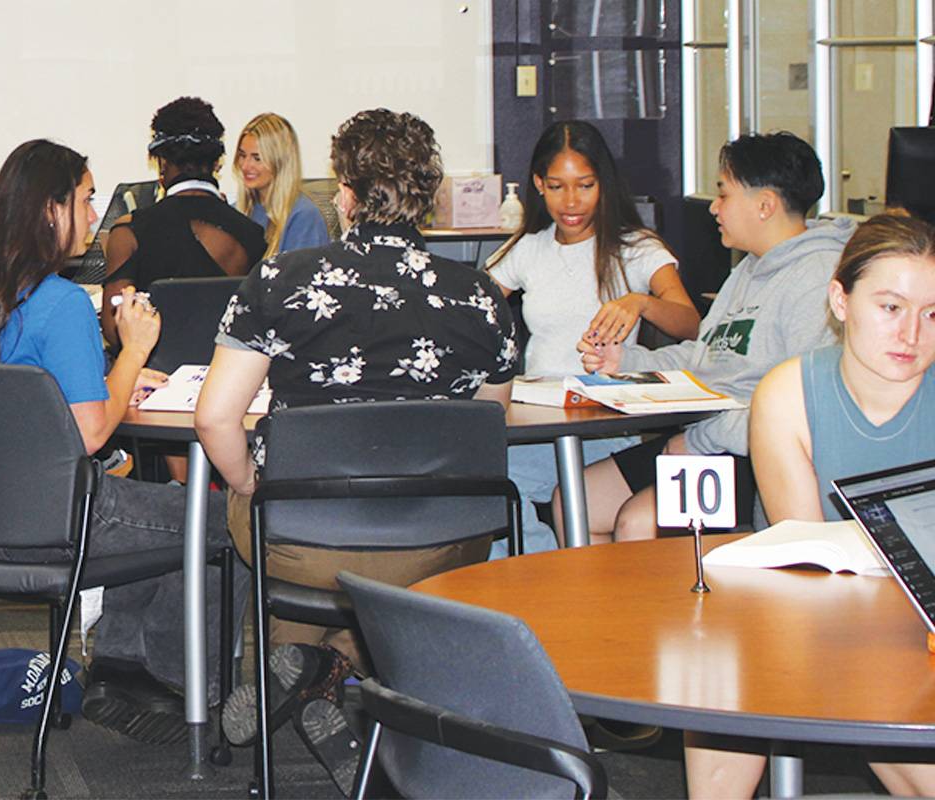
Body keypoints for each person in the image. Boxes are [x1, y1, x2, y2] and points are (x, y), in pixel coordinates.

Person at [195, 108, 518, 794]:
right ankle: (342, 677)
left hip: (306, 539)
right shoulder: (484, 297)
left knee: (257, 510)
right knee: (361, 557)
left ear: (344, 193)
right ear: (426, 199)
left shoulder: (282, 281)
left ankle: (303, 668)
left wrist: (250, 481)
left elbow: (216, 419)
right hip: (445, 544)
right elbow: (488, 433)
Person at [0, 139, 248, 744]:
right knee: (219, 515)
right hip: (54, 519)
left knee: (159, 517)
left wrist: (112, 381)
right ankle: (174, 681)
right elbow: (92, 433)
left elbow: (28, 399)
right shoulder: (63, 302)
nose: (96, 214)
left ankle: (122, 671)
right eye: (86, 198)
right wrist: (135, 351)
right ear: (51, 209)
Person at [684, 212, 935, 799]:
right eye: (890, 308)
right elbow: (811, 552)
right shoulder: (789, 394)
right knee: (721, 680)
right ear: (840, 301)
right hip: (807, 618)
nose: (911, 335)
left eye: (932, 314)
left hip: (917, 627)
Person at [572, 131, 856, 543]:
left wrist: (700, 441)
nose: (714, 208)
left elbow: (805, 408)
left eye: (724, 194)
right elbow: (703, 357)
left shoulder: (819, 279)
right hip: (709, 439)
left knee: (638, 522)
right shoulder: (746, 270)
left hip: (757, 453)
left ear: (765, 205)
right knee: (575, 501)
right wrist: (627, 362)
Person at [486, 120, 699, 555]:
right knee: (485, 486)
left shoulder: (636, 248)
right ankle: (545, 579)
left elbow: (689, 323)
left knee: (498, 485)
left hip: (606, 426)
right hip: (539, 423)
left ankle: (548, 580)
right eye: (557, 186)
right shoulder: (528, 247)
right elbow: (476, 308)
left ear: (604, 183)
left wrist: (641, 302)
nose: (571, 201)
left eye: (585, 185)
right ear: (538, 185)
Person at [101, 96, 266, 347]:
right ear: (216, 163)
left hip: (151, 377)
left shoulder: (128, 233)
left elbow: (114, 330)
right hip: (226, 375)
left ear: (162, 163)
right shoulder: (252, 234)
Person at [233, 112, 329, 258]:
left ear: (281, 162)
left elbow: (300, 278)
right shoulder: (237, 211)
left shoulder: (304, 218)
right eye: (242, 155)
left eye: (257, 158)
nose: (245, 166)